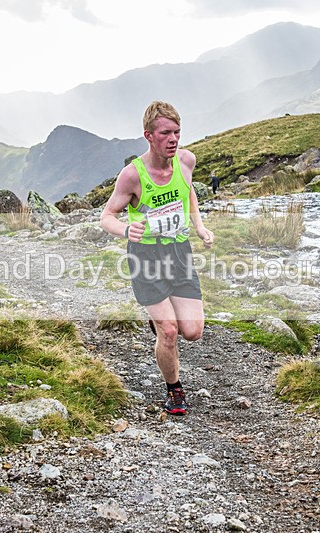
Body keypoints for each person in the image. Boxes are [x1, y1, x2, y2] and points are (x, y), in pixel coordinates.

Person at [99, 101, 214, 416]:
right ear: (149, 135)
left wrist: (199, 226)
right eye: (166, 133)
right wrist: (125, 230)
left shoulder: (186, 161)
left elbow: (188, 190)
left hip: (178, 252)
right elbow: (106, 216)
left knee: (192, 330)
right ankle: (174, 390)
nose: (173, 139)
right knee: (170, 331)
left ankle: (158, 318)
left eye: (177, 131)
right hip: (146, 255)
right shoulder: (132, 175)